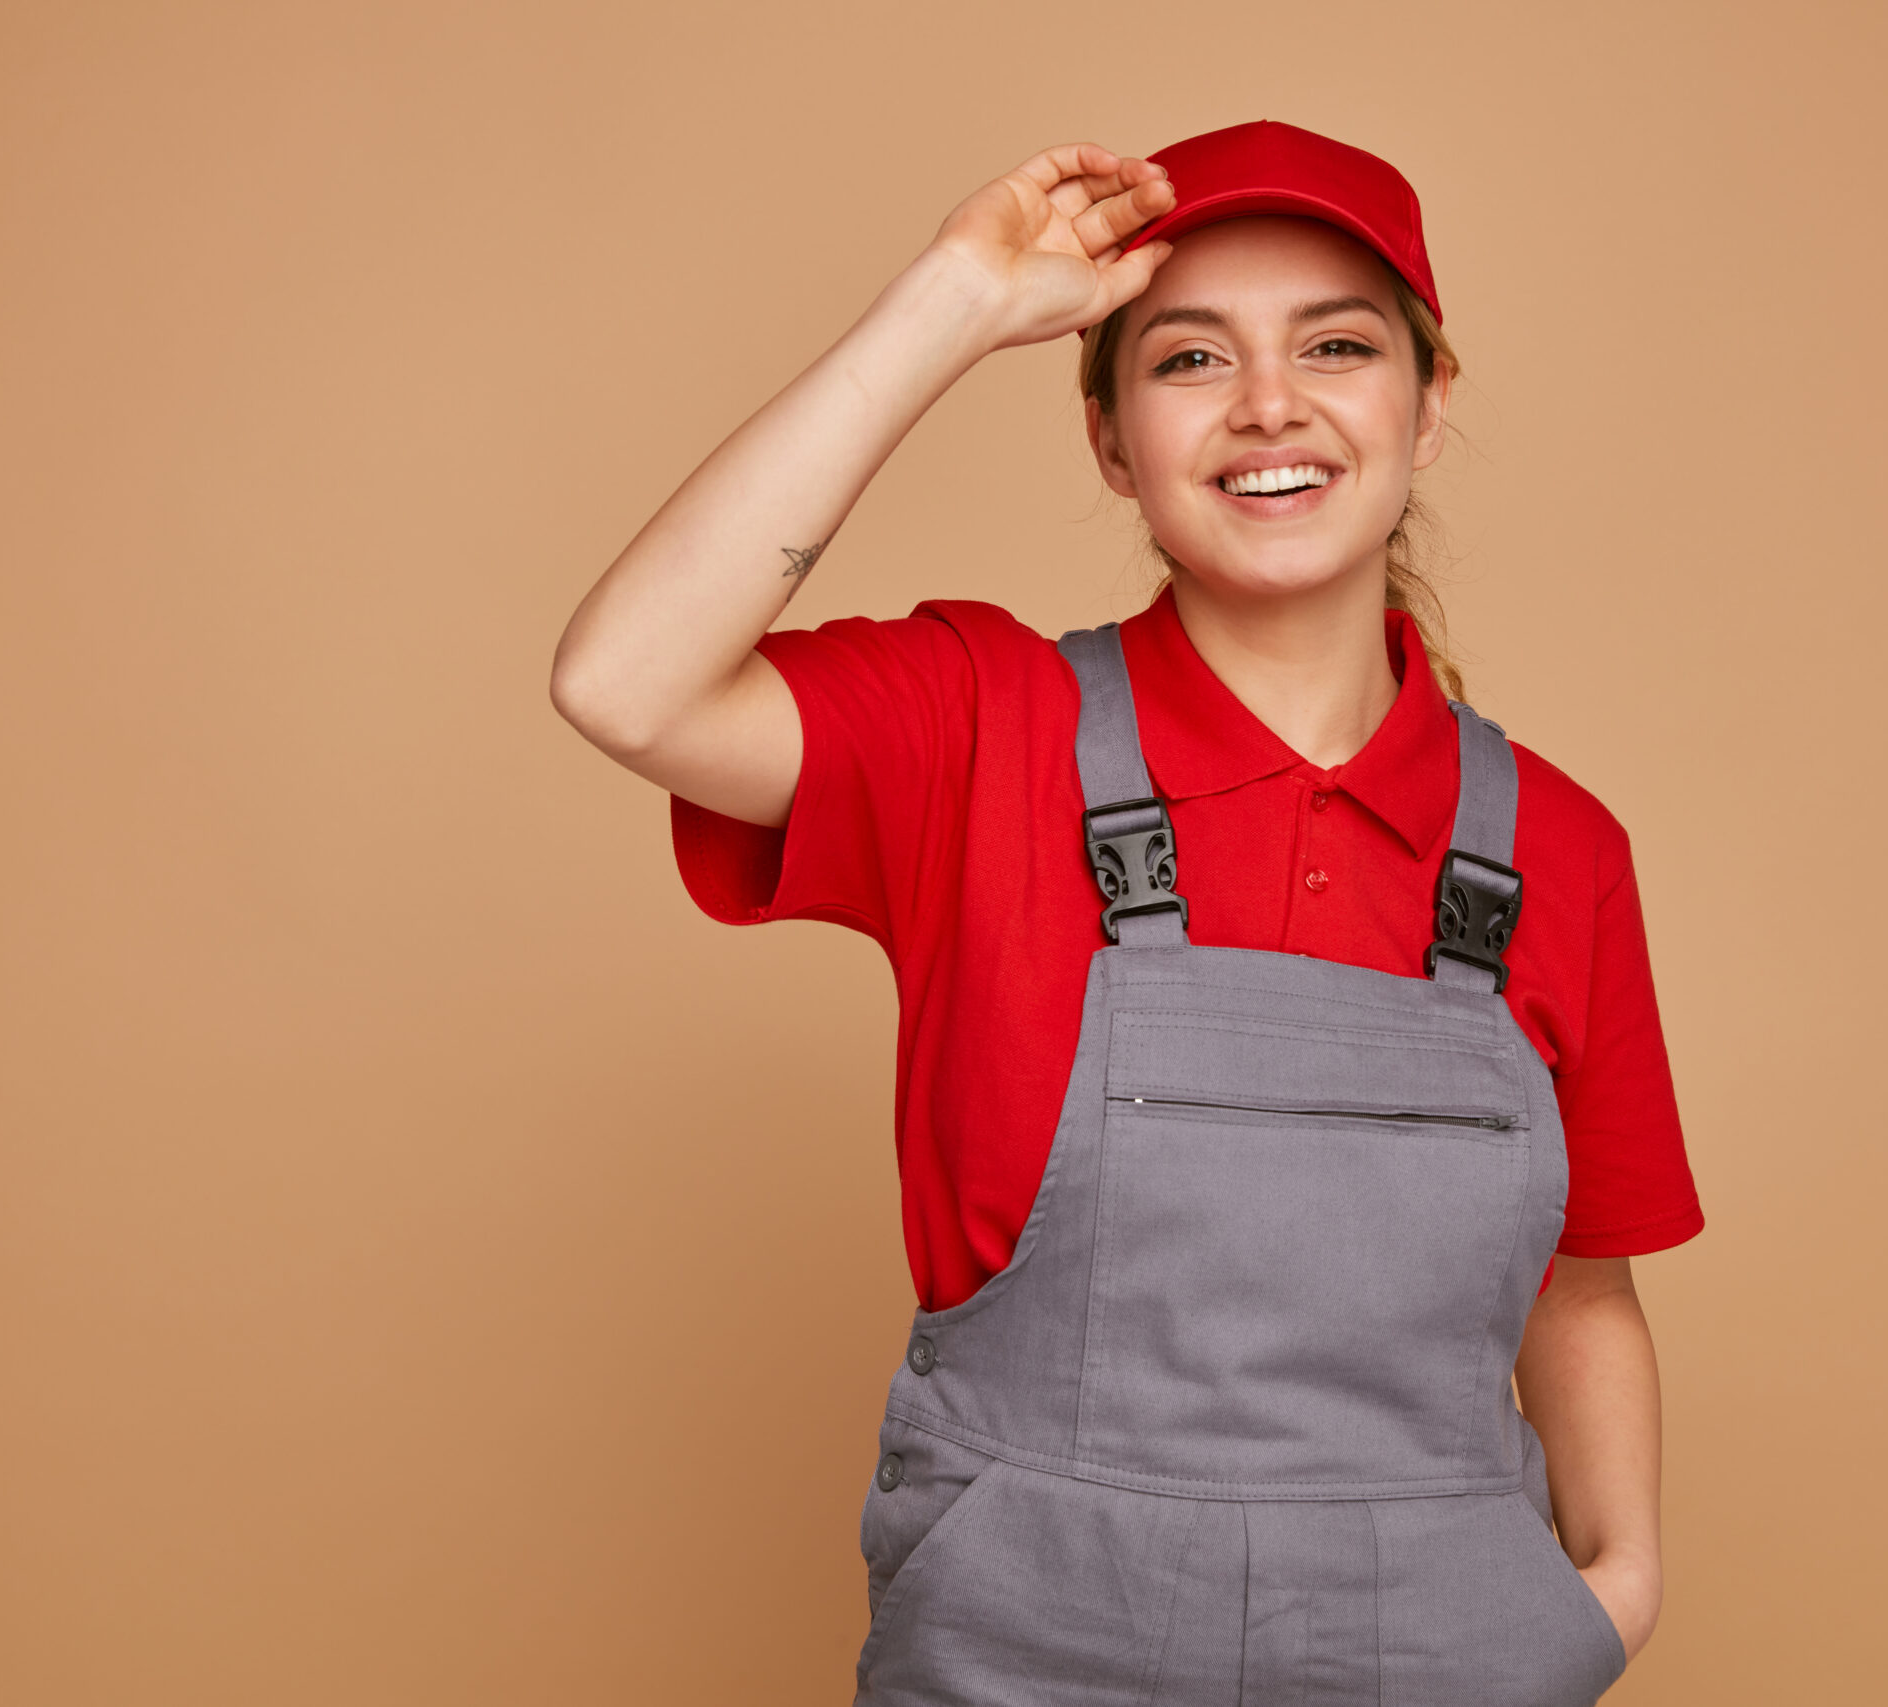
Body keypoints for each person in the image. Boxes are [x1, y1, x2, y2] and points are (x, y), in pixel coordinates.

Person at [551, 120, 1703, 1707]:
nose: (1270, 407)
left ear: (1431, 405)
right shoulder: (978, 728)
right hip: (1024, 1655)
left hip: (1452, 1652)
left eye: (1340, 345)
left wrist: (1616, 1587)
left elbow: (1586, 1279)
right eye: (1186, 360)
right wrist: (952, 300)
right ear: (1107, 439)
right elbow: (626, 681)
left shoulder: (1557, 850)